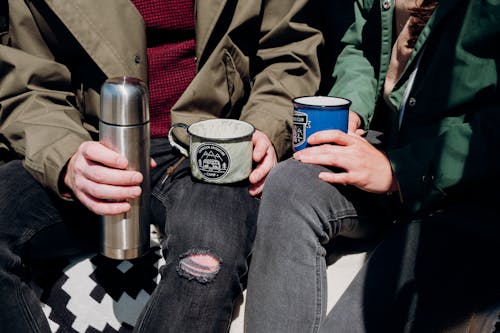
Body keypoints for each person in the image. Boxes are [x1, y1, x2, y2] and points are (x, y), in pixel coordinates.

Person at [0, 1, 322, 332]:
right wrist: (66, 157)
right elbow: (27, 82)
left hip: (210, 143)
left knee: (205, 262)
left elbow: (288, 53)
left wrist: (266, 126)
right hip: (92, 140)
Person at [244, 0, 500, 332]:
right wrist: (351, 107)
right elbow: (363, 45)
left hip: (469, 194)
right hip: (391, 142)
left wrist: (400, 172)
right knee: (292, 182)